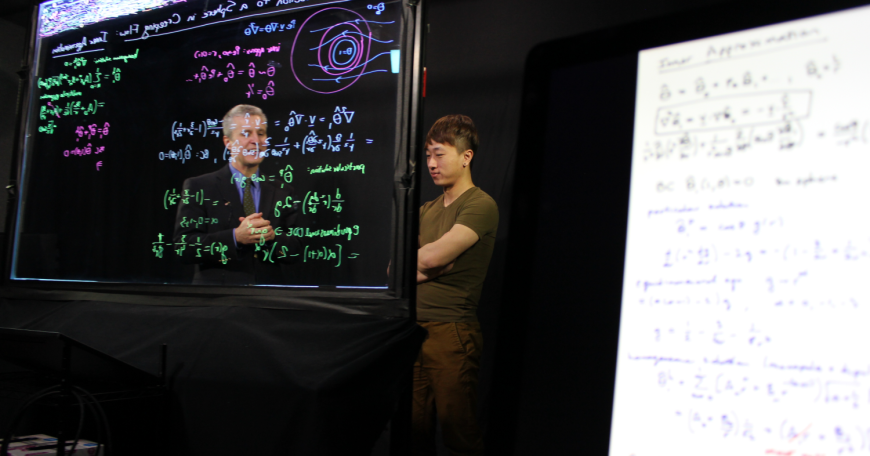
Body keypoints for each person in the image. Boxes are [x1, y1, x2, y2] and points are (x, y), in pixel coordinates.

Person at [414, 115, 498, 456]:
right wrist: (432, 262)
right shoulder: (425, 210)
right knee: (412, 431)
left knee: (458, 434)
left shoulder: (480, 204)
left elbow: (433, 258)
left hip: (452, 332)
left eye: (440, 154)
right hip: (413, 330)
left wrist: (431, 261)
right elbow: (400, 265)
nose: (431, 164)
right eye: (428, 155)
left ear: (466, 157)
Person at [173, 104, 299, 285]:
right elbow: (183, 248)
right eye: (246, 133)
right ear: (228, 142)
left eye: (261, 133)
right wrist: (235, 238)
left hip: (269, 302)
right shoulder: (199, 187)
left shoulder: (283, 191)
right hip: (217, 304)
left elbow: (295, 251)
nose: (256, 140)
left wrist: (273, 238)